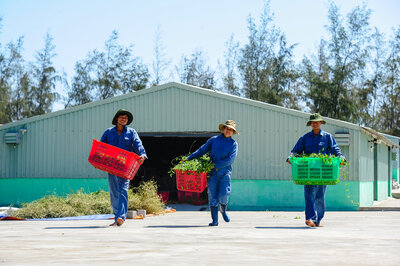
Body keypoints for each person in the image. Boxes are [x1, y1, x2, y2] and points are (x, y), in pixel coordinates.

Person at [287, 113, 345, 227]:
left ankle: (318, 220)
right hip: (309, 172)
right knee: (308, 195)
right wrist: (291, 157)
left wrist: (341, 157)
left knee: (319, 196)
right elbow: (295, 151)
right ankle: (310, 219)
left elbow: (336, 149)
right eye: (313, 122)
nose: (315, 124)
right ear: (310, 124)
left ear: (321, 123)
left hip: (323, 173)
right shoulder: (305, 138)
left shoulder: (327, 137)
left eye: (317, 122)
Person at [186, 120, 238, 226]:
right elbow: (202, 150)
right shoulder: (214, 140)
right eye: (227, 128)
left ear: (233, 132)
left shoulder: (233, 144)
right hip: (212, 173)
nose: (228, 131)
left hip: (225, 173)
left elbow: (230, 160)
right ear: (223, 129)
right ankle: (215, 220)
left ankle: (223, 210)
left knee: (224, 194)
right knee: (212, 196)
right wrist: (189, 158)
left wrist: (215, 164)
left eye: (231, 130)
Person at [101, 109, 147, 226]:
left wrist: (142, 154)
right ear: (117, 119)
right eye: (122, 117)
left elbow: (138, 144)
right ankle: (117, 218)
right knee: (114, 192)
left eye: (126, 118)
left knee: (122, 190)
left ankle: (121, 217)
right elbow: (101, 147)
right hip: (111, 166)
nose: (124, 119)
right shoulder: (108, 132)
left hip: (125, 166)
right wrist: (100, 160)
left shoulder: (131, 132)